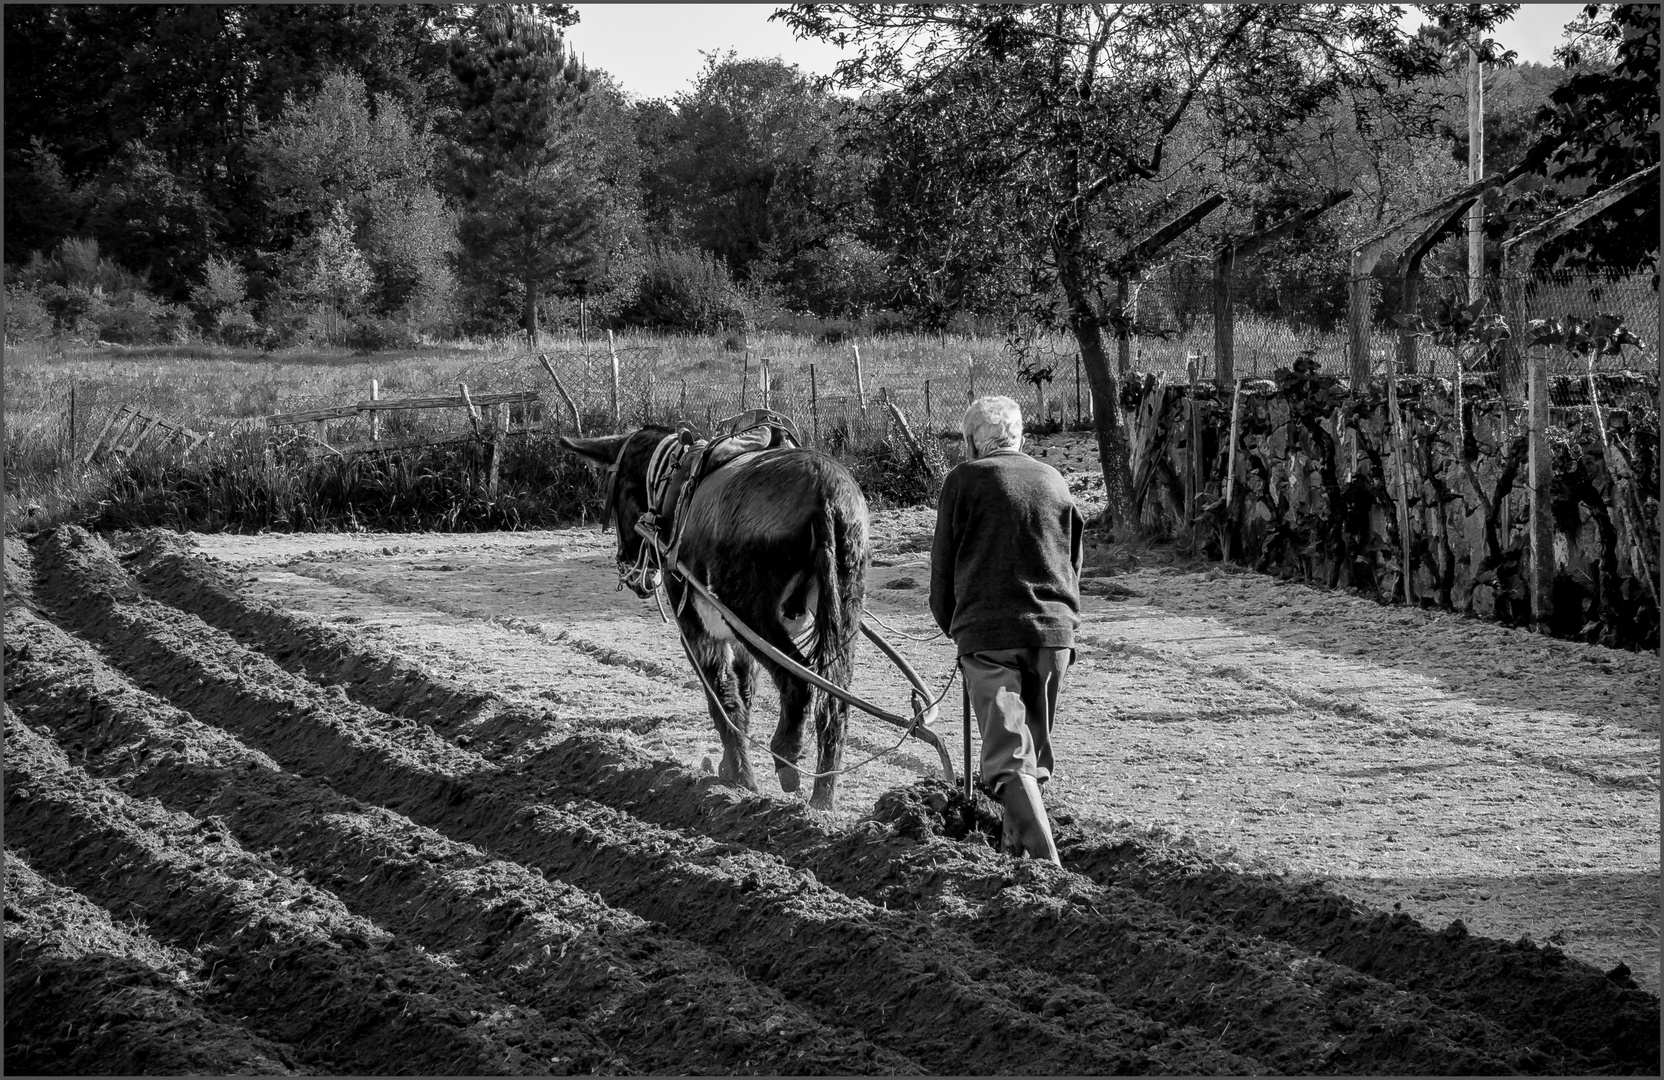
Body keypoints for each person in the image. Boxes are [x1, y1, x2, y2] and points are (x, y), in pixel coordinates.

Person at [930, 395, 1084, 865]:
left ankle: (1047, 862)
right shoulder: (1055, 480)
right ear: (1020, 437)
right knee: (1032, 751)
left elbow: (942, 571)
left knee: (1007, 759)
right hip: (1055, 634)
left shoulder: (964, 480)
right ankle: (1013, 846)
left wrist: (954, 625)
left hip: (990, 635)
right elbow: (1074, 562)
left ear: (972, 443)